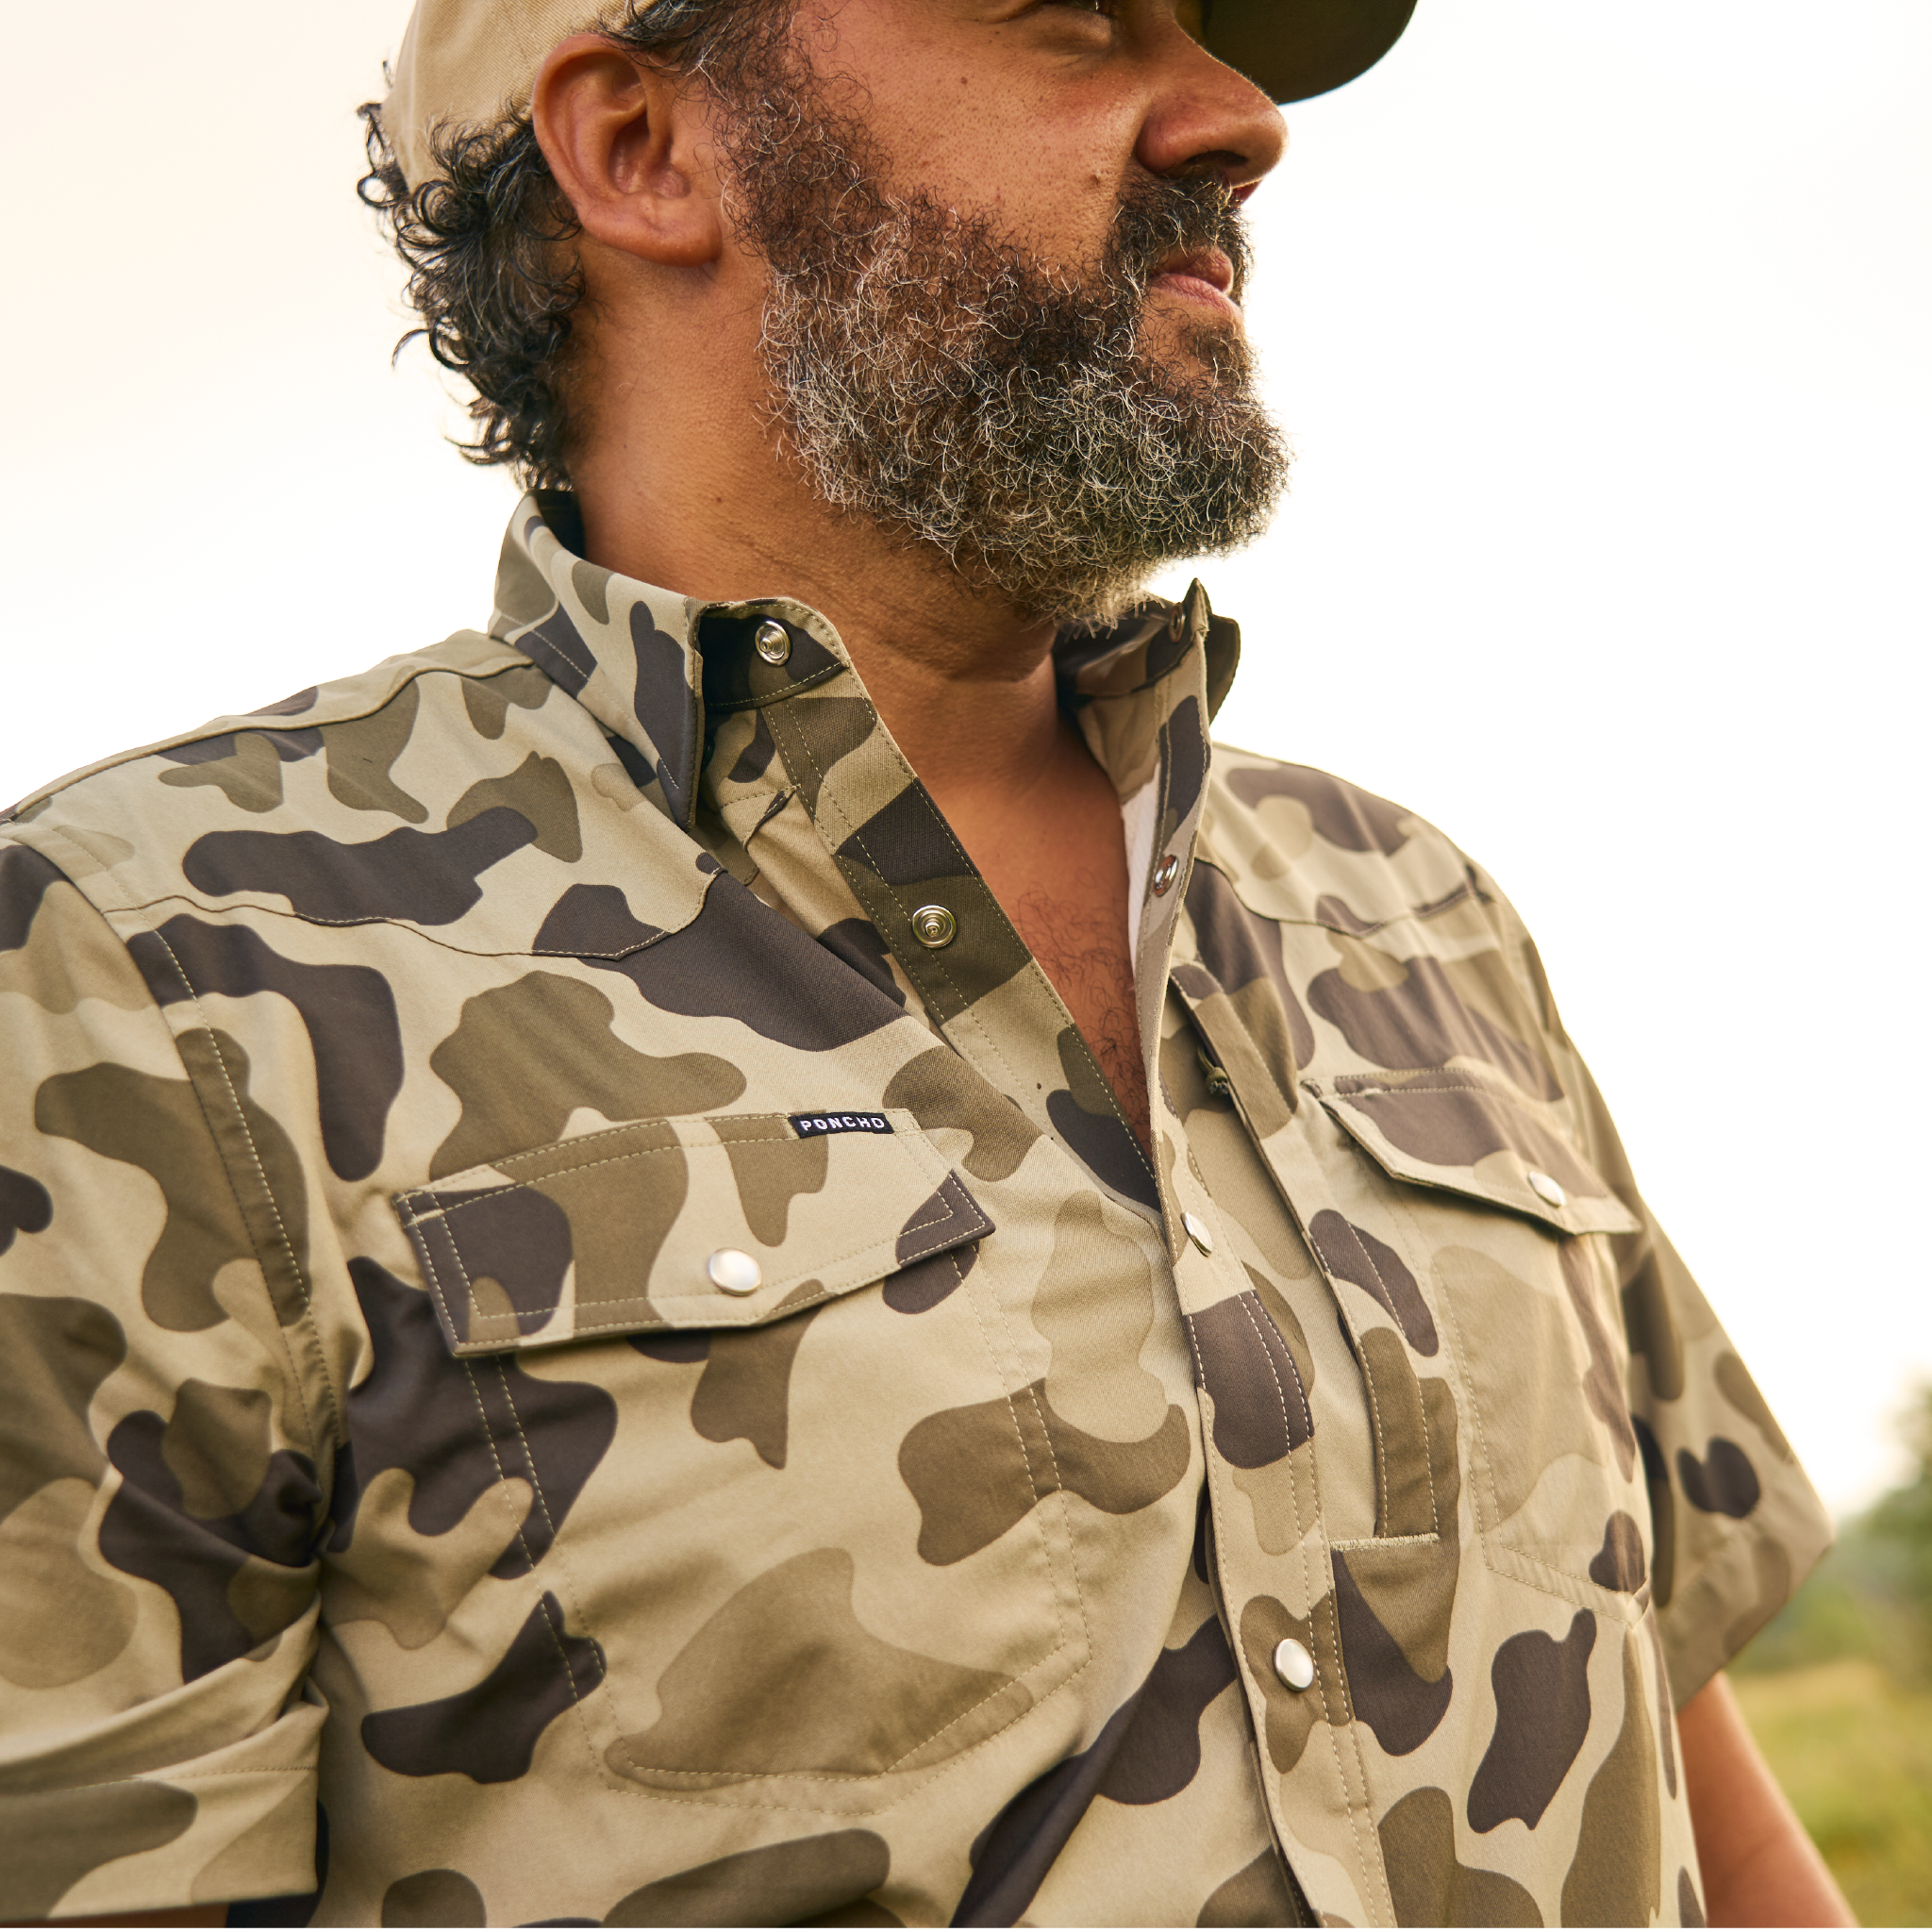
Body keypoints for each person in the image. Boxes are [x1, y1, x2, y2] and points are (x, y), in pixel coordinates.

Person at [0, 0, 1855, 1924]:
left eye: (1213, 38)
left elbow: (1681, 1761)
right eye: (1071, 21)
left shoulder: (1408, 907)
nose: (1235, 122)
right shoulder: (142, 975)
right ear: (643, 148)